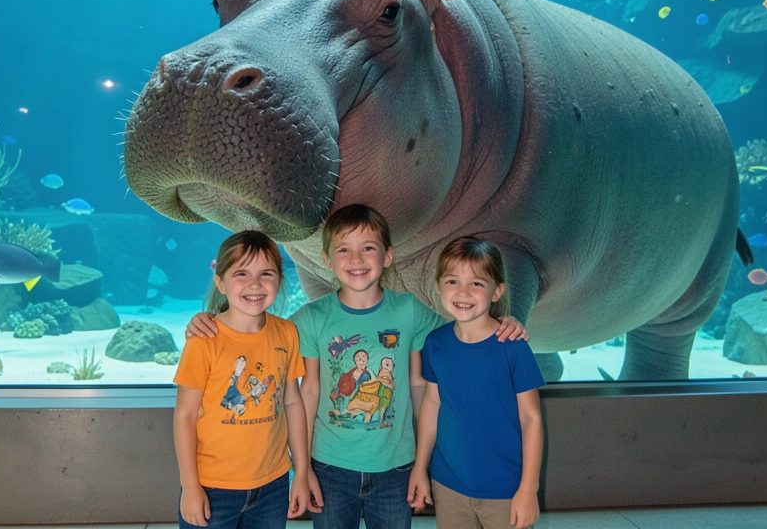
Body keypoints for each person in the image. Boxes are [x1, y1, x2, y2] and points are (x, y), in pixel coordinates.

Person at [185, 204, 528, 529]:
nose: (356, 259)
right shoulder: (310, 319)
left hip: (396, 466)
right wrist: (206, 320)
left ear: (387, 255)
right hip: (329, 465)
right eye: (344, 249)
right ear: (326, 260)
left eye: (368, 248)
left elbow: (463, 326)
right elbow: (301, 382)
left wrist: (503, 321)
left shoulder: (409, 310)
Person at [173, 230, 314, 528]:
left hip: (273, 484)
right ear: (220, 282)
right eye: (241, 273)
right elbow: (184, 415)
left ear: (279, 279)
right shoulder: (203, 338)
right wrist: (190, 486)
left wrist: (301, 471)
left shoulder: (287, 333)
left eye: (266, 273)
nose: (254, 284)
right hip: (212, 486)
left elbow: (292, 402)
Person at [407, 236, 545, 529]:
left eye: (477, 284)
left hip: (506, 488)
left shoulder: (513, 345)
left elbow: (531, 418)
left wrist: (528, 489)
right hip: (449, 485)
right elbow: (433, 403)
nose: (463, 292)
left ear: (497, 292)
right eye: (452, 281)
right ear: (439, 286)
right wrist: (420, 467)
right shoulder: (435, 344)